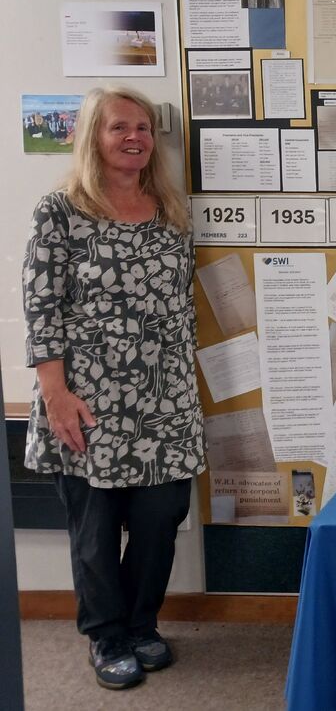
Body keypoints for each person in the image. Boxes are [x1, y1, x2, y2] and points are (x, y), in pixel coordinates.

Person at [23, 87, 203, 690]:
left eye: (144, 128)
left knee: (160, 517)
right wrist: (54, 394)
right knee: (94, 527)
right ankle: (106, 634)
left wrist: (184, 391)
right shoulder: (62, 210)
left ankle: (142, 623)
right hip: (87, 399)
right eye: (119, 127)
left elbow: (182, 307)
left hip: (164, 399)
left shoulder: (171, 209)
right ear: (92, 138)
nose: (134, 137)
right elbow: (41, 305)